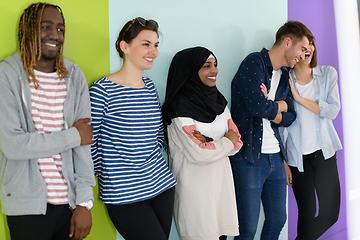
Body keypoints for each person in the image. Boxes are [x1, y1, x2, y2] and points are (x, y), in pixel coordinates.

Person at [0, 2, 96, 240]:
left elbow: (84, 148)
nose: (55, 35)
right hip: (26, 207)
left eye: (61, 29)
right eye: (46, 27)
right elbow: (13, 145)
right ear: (28, 31)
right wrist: (74, 135)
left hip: (71, 206)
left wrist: (84, 202)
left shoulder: (74, 77)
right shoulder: (7, 75)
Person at [89, 17, 176, 240]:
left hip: (161, 185)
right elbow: (89, 142)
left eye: (156, 45)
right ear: (124, 46)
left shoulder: (150, 87)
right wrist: (110, 171)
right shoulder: (102, 90)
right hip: (124, 194)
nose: (154, 51)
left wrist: (148, 157)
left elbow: (158, 134)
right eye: (145, 44)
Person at [230, 21, 313, 240]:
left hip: (275, 157)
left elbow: (291, 116)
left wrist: (272, 104)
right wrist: (279, 106)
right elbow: (257, 107)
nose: (303, 56)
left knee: (277, 221)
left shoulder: (285, 75)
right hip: (249, 157)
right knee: (246, 228)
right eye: (302, 49)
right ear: (287, 42)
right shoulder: (254, 63)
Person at [162, 46, 243, 240]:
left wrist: (209, 141)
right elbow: (199, 153)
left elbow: (238, 142)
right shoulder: (179, 108)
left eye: (215, 65)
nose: (214, 70)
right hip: (196, 196)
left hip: (222, 190)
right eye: (206, 66)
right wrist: (224, 142)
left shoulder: (220, 103)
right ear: (190, 70)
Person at [283, 37, 342, 240]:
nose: (308, 49)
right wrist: (284, 161)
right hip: (297, 160)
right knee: (306, 214)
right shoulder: (284, 79)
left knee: (329, 214)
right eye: (303, 45)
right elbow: (281, 125)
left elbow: (332, 110)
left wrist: (298, 98)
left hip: (324, 153)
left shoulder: (327, 74)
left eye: (311, 44)